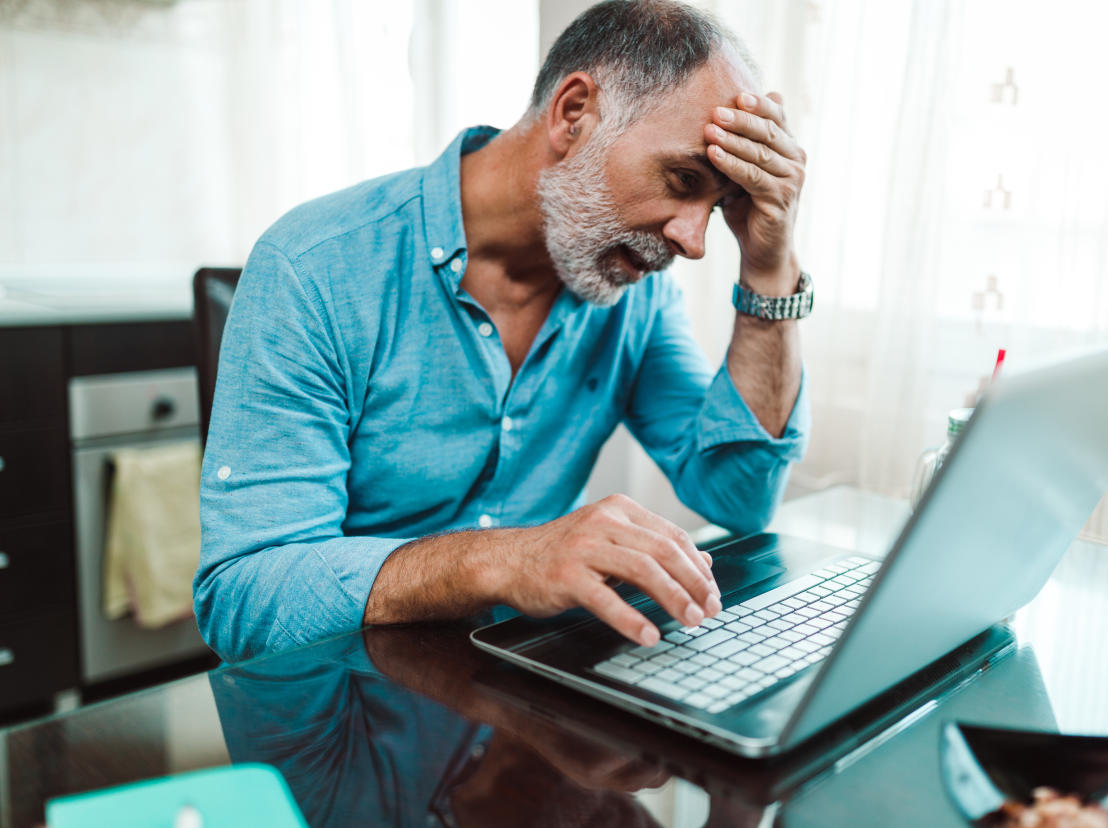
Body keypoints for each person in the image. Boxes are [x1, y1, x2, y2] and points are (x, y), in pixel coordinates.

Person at [195, 0, 811, 663]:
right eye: (683, 179)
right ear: (575, 112)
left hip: (525, 697)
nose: (693, 242)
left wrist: (768, 268)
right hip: (355, 709)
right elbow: (246, 596)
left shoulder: (636, 295)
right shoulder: (314, 269)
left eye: (717, 207)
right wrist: (505, 562)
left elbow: (740, 497)